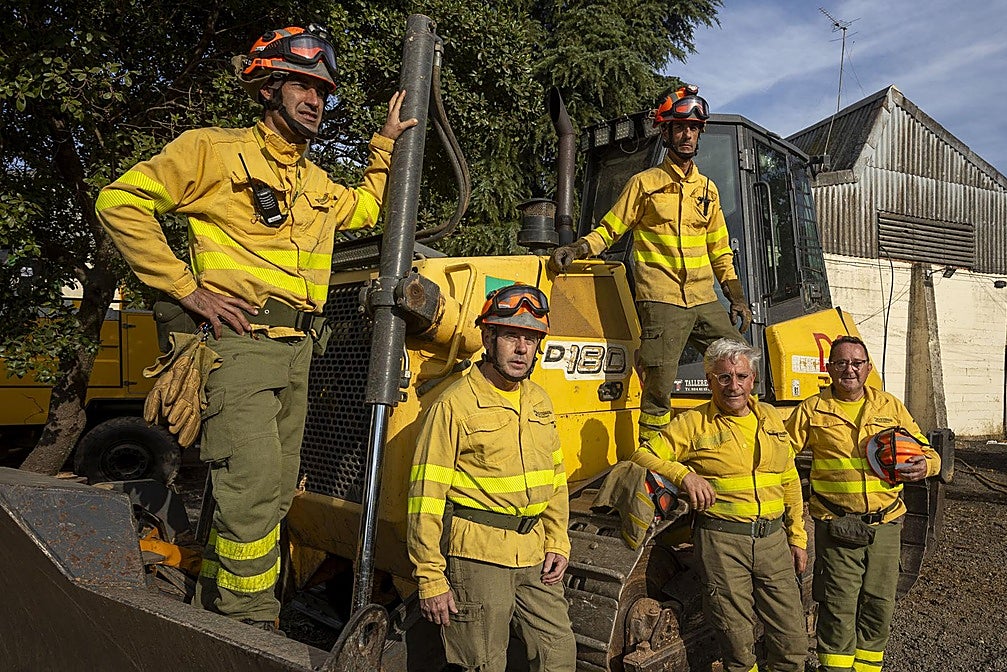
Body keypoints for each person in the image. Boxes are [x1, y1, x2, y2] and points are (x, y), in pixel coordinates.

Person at [95, 25, 417, 629]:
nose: (315, 99)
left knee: (268, 498)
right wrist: (186, 287)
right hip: (239, 348)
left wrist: (383, 143)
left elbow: (371, 207)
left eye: (323, 90)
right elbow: (119, 203)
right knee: (252, 494)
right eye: (301, 84)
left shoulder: (316, 182)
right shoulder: (212, 151)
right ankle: (251, 628)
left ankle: (215, 611)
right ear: (268, 87)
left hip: (299, 351)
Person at [549, 84, 751, 442]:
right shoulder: (644, 184)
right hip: (660, 298)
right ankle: (653, 458)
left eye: (693, 128)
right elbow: (611, 228)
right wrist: (579, 249)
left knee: (736, 362)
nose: (687, 134)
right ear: (667, 132)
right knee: (658, 384)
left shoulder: (708, 190)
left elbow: (720, 250)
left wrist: (735, 296)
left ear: (698, 133)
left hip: (704, 297)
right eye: (680, 127)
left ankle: (733, 439)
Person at [407, 283, 575, 671]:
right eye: (512, 336)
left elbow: (555, 479)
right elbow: (424, 498)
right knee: (483, 664)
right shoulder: (454, 405)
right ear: (488, 336)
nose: (521, 349)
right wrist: (431, 577)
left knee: (559, 655)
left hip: (535, 554)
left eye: (531, 339)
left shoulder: (539, 400)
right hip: (477, 559)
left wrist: (559, 541)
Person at [629, 338, 808, 672]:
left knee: (792, 641)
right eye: (724, 377)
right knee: (737, 644)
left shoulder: (769, 417)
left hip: (772, 543)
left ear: (753, 379)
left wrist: (797, 536)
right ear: (710, 380)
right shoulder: (693, 423)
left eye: (741, 376)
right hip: (723, 544)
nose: (733, 385)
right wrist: (685, 476)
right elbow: (642, 455)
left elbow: (789, 478)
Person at [786, 336, 941, 672]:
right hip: (838, 524)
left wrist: (926, 466)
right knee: (838, 606)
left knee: (879, 604)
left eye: (857, 362)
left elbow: (928, 453)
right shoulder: (812, 410)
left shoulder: (890, 407)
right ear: (829, 369)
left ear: (868, 368)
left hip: (885, 524)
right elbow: (780, 456)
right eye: (841, 363)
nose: (850, 369)